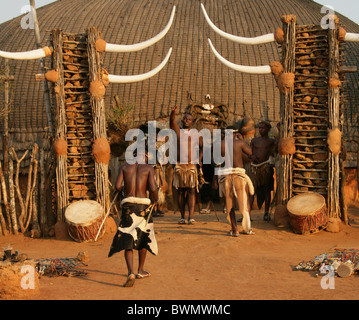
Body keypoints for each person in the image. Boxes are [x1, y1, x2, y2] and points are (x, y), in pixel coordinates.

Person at [108, 152, 159, 287]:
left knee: (128, 238)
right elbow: (153, 188)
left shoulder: (123, 167)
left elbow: (118, 186)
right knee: (143, 237)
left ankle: (130, 272)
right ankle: (140, 270)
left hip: (128, 206)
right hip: (143, 205)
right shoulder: (148, 168)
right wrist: (156, 199)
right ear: (144, 157)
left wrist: (126, 189)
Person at [214, 127, 255, 236]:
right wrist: (242, 140)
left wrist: (215, 178)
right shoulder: (239, 143)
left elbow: (216, 162)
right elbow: (251, 153)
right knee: (245, 202)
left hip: (225, 176)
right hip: (239, 175)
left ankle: (234, 229)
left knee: (230, 204)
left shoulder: (219, 144)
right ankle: (247, 229)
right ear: (235, 133)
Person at [170, 106, 203, 225]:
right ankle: (182, 216)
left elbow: (202, 147)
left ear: (192, 122)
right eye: (184, 119)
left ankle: (191, 216)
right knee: (180, 191)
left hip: (191, 166)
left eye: (189, 119)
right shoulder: (178, 131)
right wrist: (172, 113)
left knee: (192, 190)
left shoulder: (195, 133)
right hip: (179, 165)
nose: (186, 121)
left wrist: (199, 159)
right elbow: (172, 121)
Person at [249, 121, 277, 221]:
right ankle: (247, 214)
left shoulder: (272, 141)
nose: (261, 130)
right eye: (259, 128)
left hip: (265, 167)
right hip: (254, 168)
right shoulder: (254, 140)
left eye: (263, 128)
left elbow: (275, 153)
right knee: (252, 190)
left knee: (266, 190)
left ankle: (266, 213)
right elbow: (249, 152)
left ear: (268, 129)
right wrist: (252, 156)